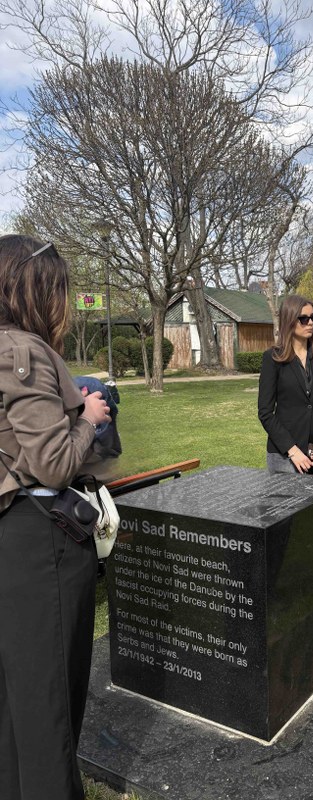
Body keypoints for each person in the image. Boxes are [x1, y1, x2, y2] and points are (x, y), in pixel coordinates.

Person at [0, 235, 113, 799]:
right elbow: (53, 463)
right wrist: (89, 417)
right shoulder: (23, 351)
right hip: (42, 537)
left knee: (18, 698)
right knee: (50, 704)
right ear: (34, 289)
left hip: (14, 535)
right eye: (59, 289)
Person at [258, 295, 313, 475]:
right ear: (289, 320)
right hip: (284, 456)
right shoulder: (273, 358)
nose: (310, 323)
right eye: (304, 319)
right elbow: (265, 413)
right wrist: (292, 450)